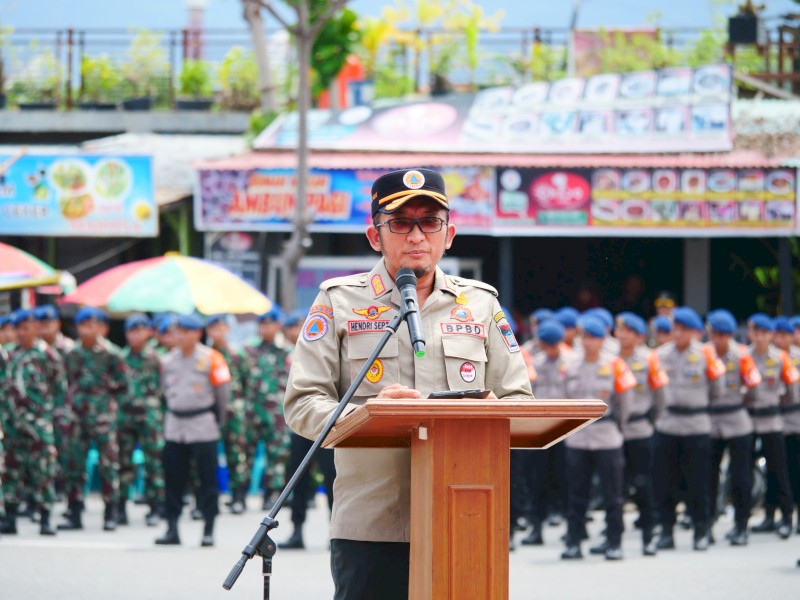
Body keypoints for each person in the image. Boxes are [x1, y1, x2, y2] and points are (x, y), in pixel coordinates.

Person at [283, 168, 534, 599]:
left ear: (449, 234)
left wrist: (488, 410)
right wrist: (368, 415)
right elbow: (303, 404)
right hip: (371, 522)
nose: (417, 235)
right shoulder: (338, 301)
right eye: (401, 223)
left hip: (463, 517)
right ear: (374, 236)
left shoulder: (480, 303)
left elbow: (519, 401)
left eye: (429, 222)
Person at [560, 315, 635, 561]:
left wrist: (617, 427)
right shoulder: (570, 365)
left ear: (603, 340)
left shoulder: (616, 365)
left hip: (607, 436)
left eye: (594, 337)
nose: (588, 342)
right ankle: (573, 542)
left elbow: (625, 404)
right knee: (576, 493)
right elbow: (562, 401)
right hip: (578, 438)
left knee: (612, 494)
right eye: (585, 337)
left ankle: (614, 543)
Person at [653, 307, 725, 551]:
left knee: (698, 482)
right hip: (669, 423)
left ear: (693, 332)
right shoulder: (660, 355)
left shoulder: (707, 355)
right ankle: (666, 531)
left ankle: (701, 530)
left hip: (696, 425)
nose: (677, 333)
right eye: (675, 328)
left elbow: (718, 390)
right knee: (666, 481)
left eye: (683, 329)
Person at [156, 314, 230, 547]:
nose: (180, 335)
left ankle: (208, 529)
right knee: (173, 479)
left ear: (198, 333)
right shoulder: (167, 360)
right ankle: (172, 528)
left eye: (186, 331)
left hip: (202, 423)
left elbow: (223, 396)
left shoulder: (213, 358)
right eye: (177, 331)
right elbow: (163, 393)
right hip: (175, 425)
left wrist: (217, 420)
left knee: (207, 480)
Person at [59, 307, 128, 532]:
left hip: (103, 417)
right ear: (78, 328)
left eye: (94, 325)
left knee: (109, 465)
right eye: (84, 325)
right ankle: (75, 510)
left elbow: (124, 385)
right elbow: (68, 381)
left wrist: (107, 402)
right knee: (75, 464)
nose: (89, 329)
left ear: (101, 327)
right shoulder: (72, 353)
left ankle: (110, 512)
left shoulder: (112, 353)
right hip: (77, 417)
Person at [279, 309, 337, 550]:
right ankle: (296, 530)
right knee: (296, 479)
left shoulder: (328, 349)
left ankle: (336, 533)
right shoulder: (286, 356)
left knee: (333, 479)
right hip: (301, 426)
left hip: (328, 423)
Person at [0, 310, 61, 536]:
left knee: (43, 470)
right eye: (20, 327)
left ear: (37, 328)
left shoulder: (48, 355)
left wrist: (47, 414)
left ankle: (45, 518)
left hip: (39, 424)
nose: (25, 332)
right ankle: (10, 517)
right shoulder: (7, 355)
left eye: (30, 326)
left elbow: (59, 388)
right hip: (13, 424)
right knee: (12, 472)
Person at [615, 311, 668, 556]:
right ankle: (613, 538)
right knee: (615, 488)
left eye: (627, 330)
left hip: (641, 430)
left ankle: (649, 536)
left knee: (644, 484)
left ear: (638, 336)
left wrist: (651, 421)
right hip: (614, 431)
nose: (621, 334)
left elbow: (660, 398)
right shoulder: (609, 358)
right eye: (619, 329)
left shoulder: (650, 360)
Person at [706, 310, 760, 546]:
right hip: (710, 420)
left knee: (741, 476)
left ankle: (741, 525)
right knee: (707, 475)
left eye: (722, 335)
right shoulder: (703, 355)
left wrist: (739, 403)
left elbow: (755, 390)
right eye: (714, 334)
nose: (718, 340)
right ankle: (705, 524)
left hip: (737, 419)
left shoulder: (742, 356)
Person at [520, 319, 570, 547]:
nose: (548, 350)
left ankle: (573, 529)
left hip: (566, 429)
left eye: (551, 345)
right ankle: (536, 527)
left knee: (567, 481)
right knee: (537, 480)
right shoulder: (536, 363)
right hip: (541, 429)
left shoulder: (571, 362)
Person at [747, 314, 798, 539]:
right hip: (764, 418)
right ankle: (770, 514)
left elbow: (791, 393)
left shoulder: (791, 358)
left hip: (792, 420)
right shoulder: (748, 356)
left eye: (784, 335)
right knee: (770, 470)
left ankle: (788, 515)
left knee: (787, 470)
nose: (779, 339)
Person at [118, 313, 164, 527]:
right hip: (125, 416)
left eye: (140, 330)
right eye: (131, 331)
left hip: (150, 417)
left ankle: (155, 507)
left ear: (148, 332)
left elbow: (165, 389)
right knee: (123, 462)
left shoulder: (156, 358)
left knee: (153, 462)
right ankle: (120, 507)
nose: (136, 335)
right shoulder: (120, 358)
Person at [205, 313, 251, 515]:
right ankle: (208, 498)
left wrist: (240, 406)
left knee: (236, 454)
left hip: (233, 412)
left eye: (220, 327)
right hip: (209, 412)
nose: (217, 332)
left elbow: (248, 382)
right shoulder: (204, 355)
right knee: (208, 456)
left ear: (227, 329)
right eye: (213, 328)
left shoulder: (237, 354)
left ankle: (238, 497)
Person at [246, 306, 291, 510]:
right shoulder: (249, 351)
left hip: (277, 414)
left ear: (278, 326)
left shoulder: (287, 352)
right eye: (262, 324)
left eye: (269, 324)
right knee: (245, 453)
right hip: (252, 410)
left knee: (277, 455)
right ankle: (241, 495)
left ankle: (271, 494)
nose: (265, 328)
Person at [775, 316, 800, 532]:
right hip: (776, 420)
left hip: (796, 420)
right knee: (781, 472)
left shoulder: (795, 358)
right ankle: (783, 516)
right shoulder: (774, 358)